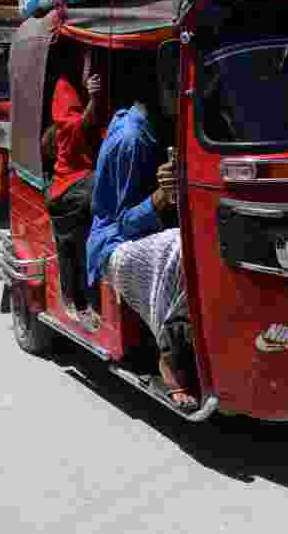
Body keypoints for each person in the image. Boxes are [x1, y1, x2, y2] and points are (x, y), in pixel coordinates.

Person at [85, 55, 195, 410]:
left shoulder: (156, 127)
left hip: (144, 232)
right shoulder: (132, 140)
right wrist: (161, 197)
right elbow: (122, 224)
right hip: (113, 245)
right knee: (181, 246)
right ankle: (169, 354)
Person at [45, 50, 104, 326]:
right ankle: (88, 305)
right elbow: (80, 126)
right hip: (71, 186)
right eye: (87, 61)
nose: (91, 68)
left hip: (74, 183)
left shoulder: (79, 88)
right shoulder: (65, 89)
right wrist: (94, 98)